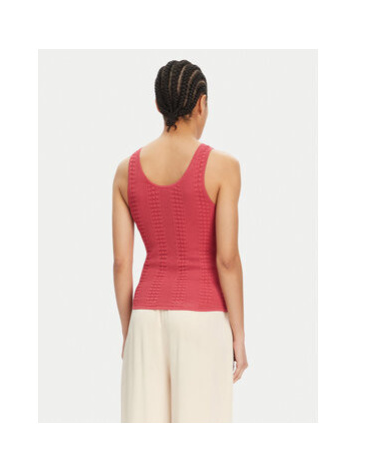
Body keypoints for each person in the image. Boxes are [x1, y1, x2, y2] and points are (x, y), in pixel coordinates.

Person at [112, 59, 248, 423]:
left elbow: (122, 264)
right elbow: (227, 259)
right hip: (202, 319)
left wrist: (129, 331)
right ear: (201, 104)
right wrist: (238, 335)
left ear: (158, 105)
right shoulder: (224, 167)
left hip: (144, 317)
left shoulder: (125, 172)